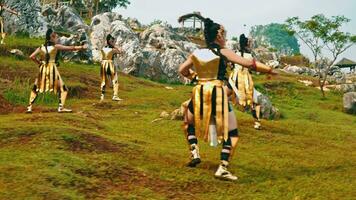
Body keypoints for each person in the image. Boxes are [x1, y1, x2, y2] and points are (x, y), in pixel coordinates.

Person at [179, 17, 275, 181]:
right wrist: (269, 70)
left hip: (199, 91)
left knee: (188, 122)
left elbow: (182, 70)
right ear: (218, 36)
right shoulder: (222, 51)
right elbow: (247, 63)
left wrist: (195, 77)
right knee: (233, 133)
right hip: (217, 92)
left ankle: (194, 152)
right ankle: (223, 167)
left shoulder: (197, 52)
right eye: (224, 35)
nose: (225, 38)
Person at [27, 28, 87, 113]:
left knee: (36, 87)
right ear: (52, 37)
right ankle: (61, 107)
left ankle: (29, 107)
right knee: (63, 89)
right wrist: (82, 47)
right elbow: (70, 48)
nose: (57, 38)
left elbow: (31, 57)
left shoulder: (41, 47)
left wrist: (39, 63)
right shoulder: (55, 47)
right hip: (52, 69)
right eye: (56, 37)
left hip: (42, 68)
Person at [228, 34, 264, 129]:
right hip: (246, 79)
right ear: (247, 44)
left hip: (234, 79)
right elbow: (252, 68)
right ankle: (257, 123)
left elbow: (231, 65)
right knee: (253, 101)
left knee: (223, 94)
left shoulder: (235, 53)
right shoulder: (250, 56)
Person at [100, 34, 123, 101]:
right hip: (110, 63)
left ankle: (102, 97)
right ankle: (115, 96)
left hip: (103, 64)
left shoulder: (103, 48)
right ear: (111, 41)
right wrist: (113, 46)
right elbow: (119, 52)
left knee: (103, 80)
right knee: (115, 79)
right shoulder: (113, 49)